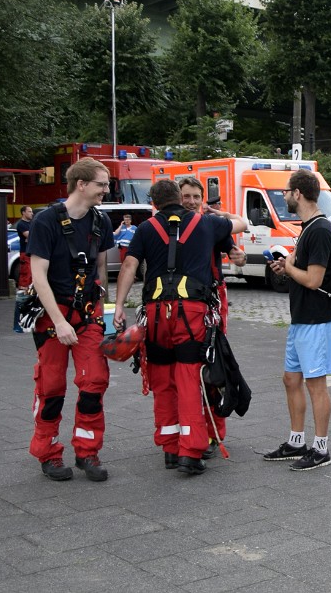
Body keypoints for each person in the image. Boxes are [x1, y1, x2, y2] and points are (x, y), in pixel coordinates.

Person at [114, 179, 244, 476]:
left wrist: (119, 306)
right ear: (179, 199)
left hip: (155, 314)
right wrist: (217, 214)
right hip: (192, 312)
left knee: (162, 380)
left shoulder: (146, 229)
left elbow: (129, 267)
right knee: (189, 378)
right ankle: (190, 451)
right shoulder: (206, 224)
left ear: (154, 204)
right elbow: (242, 222)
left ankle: (170, 448)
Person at [26, 159, 115, 481]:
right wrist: (58, 322)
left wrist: (104, 314)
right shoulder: (46, 221)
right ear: (81, 184)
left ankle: (87, 452)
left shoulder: (100, 222)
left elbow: (102, 271)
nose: (107, 189)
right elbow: (39, 275)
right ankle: (48, 453)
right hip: (54, 317)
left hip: (87, 315)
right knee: (51, 388)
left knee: (94, 382)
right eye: (102, 184)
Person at [264, 170, 331, 471]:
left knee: (316, 385)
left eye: (286, 191)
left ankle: (321, 448)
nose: (284, 196)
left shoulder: (321, 229)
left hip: (316, 319)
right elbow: (302, 270)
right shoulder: (308, 227)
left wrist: (289, 266)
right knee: (291, 379)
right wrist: (285, 267)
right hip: (301, 318)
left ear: (297, 193)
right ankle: (296, 441)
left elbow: (314, 279)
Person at [179, 177, 247, 458]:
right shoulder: (171, 224)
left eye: (196, 196)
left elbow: (233, 251)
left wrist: (238, 256)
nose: (192, 201)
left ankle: (213, 431)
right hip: (181, 305)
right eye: (186, 196)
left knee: (213, 364)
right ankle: (187, 431)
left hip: (210, 301)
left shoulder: (212, 224)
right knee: (184, 372)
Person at [13, 205, 34, 333]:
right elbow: (31, 236)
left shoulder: (31, 223)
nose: (32, 214)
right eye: (29, 211)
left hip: (30, 255)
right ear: (23, 213)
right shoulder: (21, 224)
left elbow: (32, 237)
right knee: (24, 287)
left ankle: (26, 320)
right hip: (26, 256)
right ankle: (19, 324)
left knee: (30, 287)